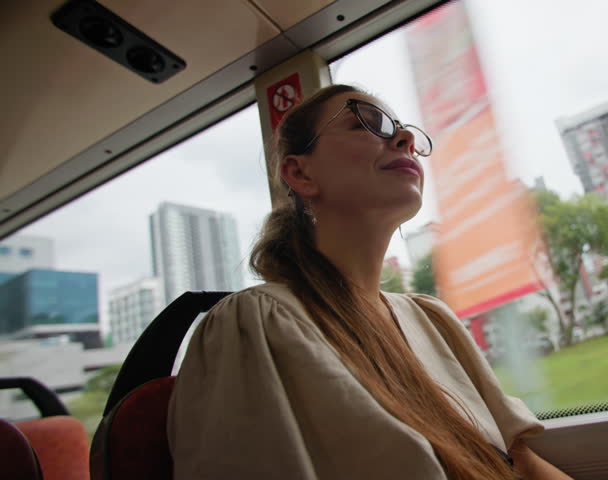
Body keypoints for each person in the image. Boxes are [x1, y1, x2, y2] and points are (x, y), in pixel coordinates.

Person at [167, 84, 573, 480]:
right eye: (368, 121)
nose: (406, 137)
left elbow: (520, 461)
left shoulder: (433, 319)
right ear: (300, 173)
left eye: (402, 128)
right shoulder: (256, 323)